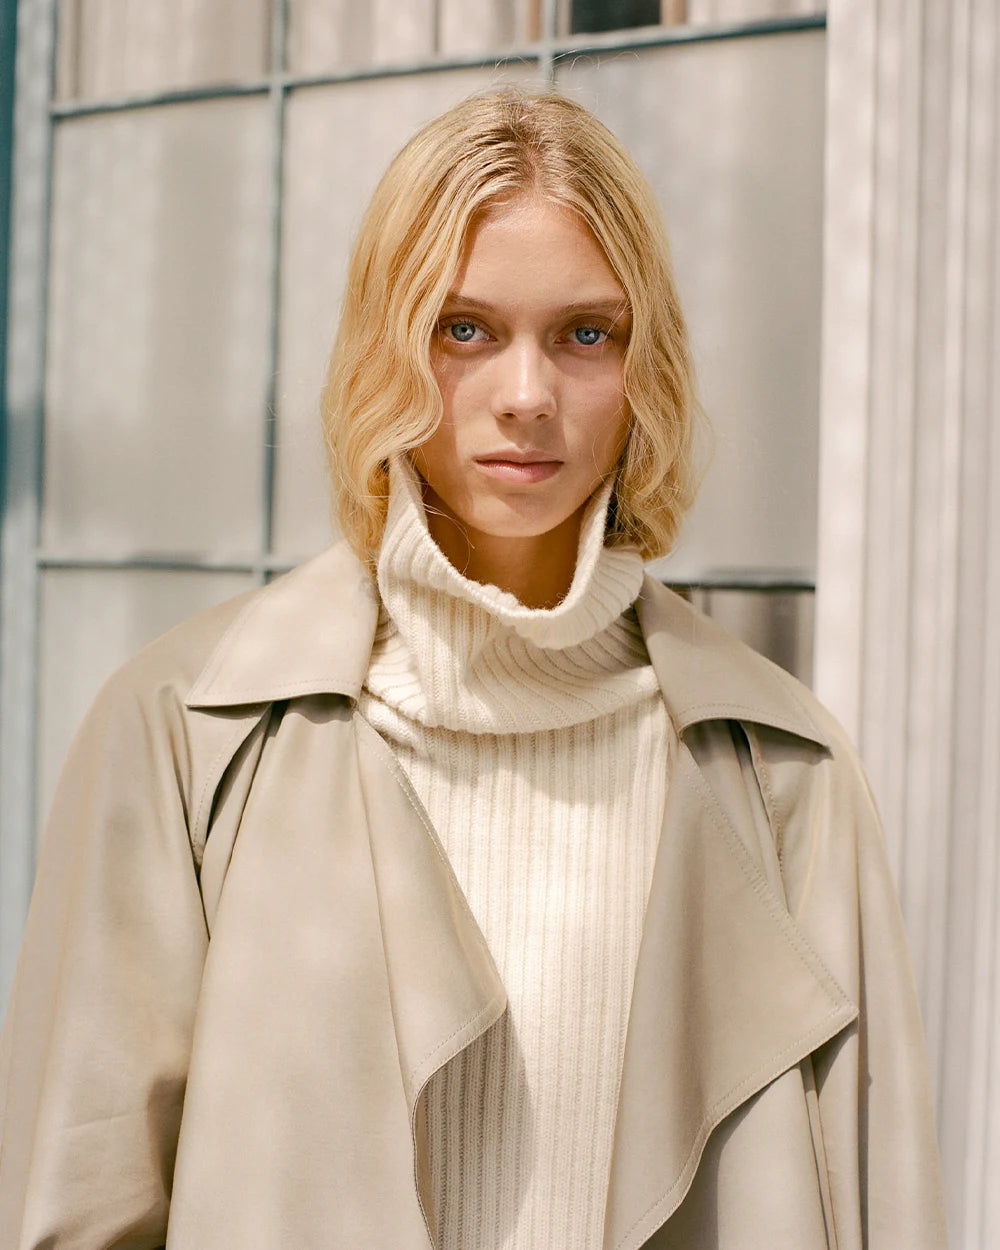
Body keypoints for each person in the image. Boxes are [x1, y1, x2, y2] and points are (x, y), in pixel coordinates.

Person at [0, 90, 947, 1250]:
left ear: (644, 364)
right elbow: (78, 1206)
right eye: (465, 329)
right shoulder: (184, 730)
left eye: (585, 334)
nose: (527, 395)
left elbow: (880, 1205)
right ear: (385, 345)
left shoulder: (783, 769)